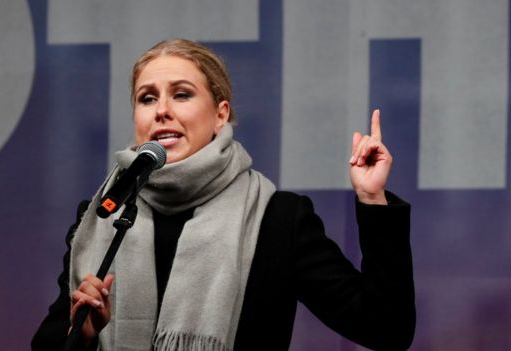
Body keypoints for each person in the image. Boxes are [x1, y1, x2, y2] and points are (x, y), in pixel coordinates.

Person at [32, 39, 415, 351]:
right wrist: (81, 335)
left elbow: (386, 328)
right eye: (147, 98)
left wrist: (372, 199)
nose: (161, 110)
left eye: (181, 95)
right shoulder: (104, 215)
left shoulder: (278, 219)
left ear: (220, 114)